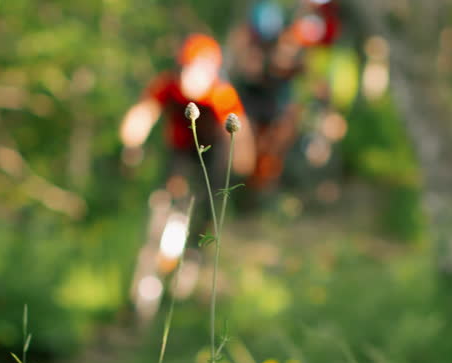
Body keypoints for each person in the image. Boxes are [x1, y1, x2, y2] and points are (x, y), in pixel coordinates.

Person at [119, 33, 255, 323]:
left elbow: (241, 134)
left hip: (212, 155)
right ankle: (150, 274)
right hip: (179, 153)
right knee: (164, 203)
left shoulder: (221, 95)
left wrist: (244, 166)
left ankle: (192, 260)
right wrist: (131, 145)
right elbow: (143, 113)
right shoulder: (167, 86)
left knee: (206, 209)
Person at [228, 1, 342, 193]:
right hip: (249, 103)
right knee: (244, 146)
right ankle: (242, 185)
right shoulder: (246, 43)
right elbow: (245, 70)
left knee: (285, 127)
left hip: (276, 104)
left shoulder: (289, 46)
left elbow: (309, 77)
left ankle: (267, 185)